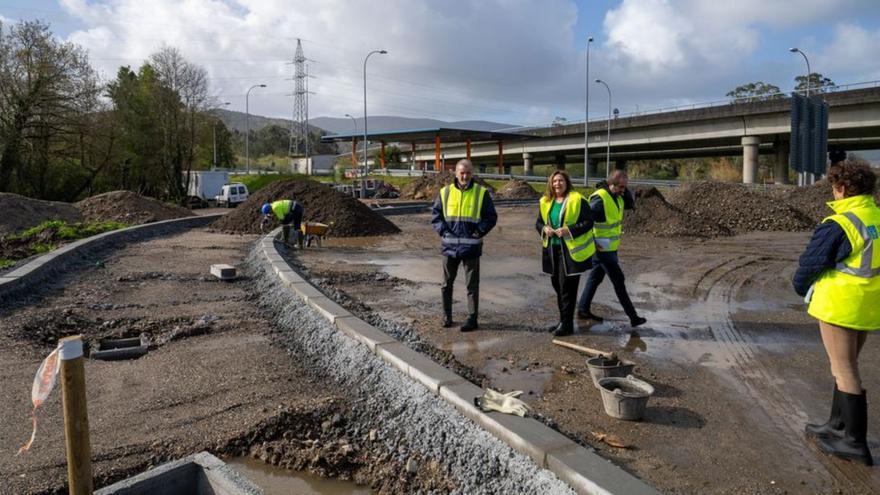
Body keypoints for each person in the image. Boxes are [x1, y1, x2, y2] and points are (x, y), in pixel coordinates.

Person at [793, 160, 878, 466]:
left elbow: (810, 264)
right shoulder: (876, 218)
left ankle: (855, 442)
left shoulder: (840, 223)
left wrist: (799, 287)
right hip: (868, 307)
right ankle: (836, 424)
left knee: (845, 369)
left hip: (840, 307)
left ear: (841, 188)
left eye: (834, 187)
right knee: (844, 366)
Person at [431, 159, 497, 332]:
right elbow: (436, 216)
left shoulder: (481, 193)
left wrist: (479, 232)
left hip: (471, 247)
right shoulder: (445, 192)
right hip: (449, 247)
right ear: (455, 173)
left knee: (472, 286)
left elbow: (491, 217)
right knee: (446, 284)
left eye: (468, 173)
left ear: (472, 174)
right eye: (462, 172)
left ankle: (472, 319)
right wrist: (443, 232)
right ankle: (447, 316)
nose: (465, 176)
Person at [575, 169, 647, 327]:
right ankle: (633, 317)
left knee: (595, 278)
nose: (623, 190)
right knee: (618, 280)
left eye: (624, 187)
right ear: (610, 184)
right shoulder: (600, 198)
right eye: (620, 187)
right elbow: (585, 220)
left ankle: (582, 310)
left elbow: (630, 204)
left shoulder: (618, 197)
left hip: (610, 247)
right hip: (601, 248)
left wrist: (623, 189)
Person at [535, 170, 595, 337]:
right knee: (558, 286)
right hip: (552, 251)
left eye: (560, 181)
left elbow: (588, 222)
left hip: (570, 253)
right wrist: (544, 228)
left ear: (566, 182)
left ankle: (567, 325)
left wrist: (569, 230)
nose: (557, 184)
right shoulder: (546, 201)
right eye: (554, 181)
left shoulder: (577, 199)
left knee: (566, 288)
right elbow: (538, 223)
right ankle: (563, 320)